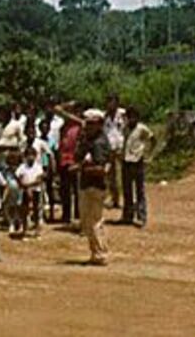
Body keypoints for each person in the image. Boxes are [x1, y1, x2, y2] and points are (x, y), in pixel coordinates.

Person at [76, 109, 111, 266]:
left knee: (95, 221)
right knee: (87, 222)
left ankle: (100, 253)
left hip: (95, 185)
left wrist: (81, 169)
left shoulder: (99, 143)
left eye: (92, 124)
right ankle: (95, 252)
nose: (88, 127)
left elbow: (102, 169)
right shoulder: (88, 141)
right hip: (86, 184)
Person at [121, 107, 155, 228]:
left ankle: (142, 216)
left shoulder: (142, 128)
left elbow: (152, 139)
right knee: (127, 190)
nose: (131, 119)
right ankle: (128, 215)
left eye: (133, 116)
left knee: (139, 190)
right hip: (126, 161)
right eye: (129, 117)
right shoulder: (125, 128)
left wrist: (149, 154)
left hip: (137, 161)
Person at [104, 94, 126, 209]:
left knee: (119, 174)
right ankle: (113, 198)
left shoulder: (122, 114)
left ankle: (121, 198)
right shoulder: (105, 117)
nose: (110, 104)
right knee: (109, 175)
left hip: (120, 147)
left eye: (112, 102)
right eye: (108, 102)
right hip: (109, 148)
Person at [16, 146, 44, 238]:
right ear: (25, 156)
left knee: (36, 210)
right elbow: (19, 179)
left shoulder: (38, 167)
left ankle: (37, 231)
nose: (30, 157)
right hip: (24, 191)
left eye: (32, 155)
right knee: (25, 211)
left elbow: (39, 180)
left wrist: (29, 187)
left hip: (36, 191)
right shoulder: (22, 167)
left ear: (35, 156)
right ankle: (24, 231)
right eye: (28, 155)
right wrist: (26, 188)